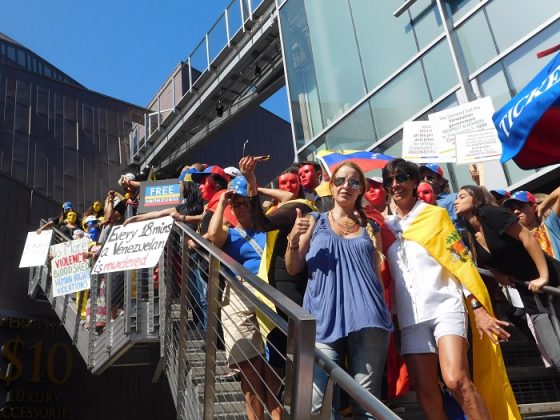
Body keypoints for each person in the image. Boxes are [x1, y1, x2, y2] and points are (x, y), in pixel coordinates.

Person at [383, 160, 519, 420]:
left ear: (414, 182)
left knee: (456, 380)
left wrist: (477, 307)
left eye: (401, 178)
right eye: (389, 180)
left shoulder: (434, 215)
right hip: (410, 318)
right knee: (426, 393)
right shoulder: (384, 226)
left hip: (446, 307)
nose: (395, 184)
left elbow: (460, 261)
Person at [286, 162, 393, 419]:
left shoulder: (371, 227)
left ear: (361, 190)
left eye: (354, 182)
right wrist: (292, 240)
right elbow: (293, 267)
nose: (347, 186)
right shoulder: (314, 220)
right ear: (331, 186)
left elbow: (377, 276)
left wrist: (385, 312)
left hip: (369, 319)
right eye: (341, 180)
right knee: (315, 406)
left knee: (366, 406)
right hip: (323, 318)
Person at [456, 185, 560, 371]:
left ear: (476, 198)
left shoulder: (490, 213)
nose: (456, 201)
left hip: (552, 282)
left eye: (462, 196)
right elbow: (486, 260)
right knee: (556, 355)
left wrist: (543, 276)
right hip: (529, 295)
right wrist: (499, 274)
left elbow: (527, 238)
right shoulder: (469, 232)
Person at [207, 175, 279, 420]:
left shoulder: (269, 224)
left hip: (270, 298)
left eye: (243, 202)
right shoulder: (231, 234)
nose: (238, 207)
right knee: (250, 372)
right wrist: (221, 203)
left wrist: (256, 188)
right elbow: (212, 233)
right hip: (239, 296)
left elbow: (291, 199)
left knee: (272, 373)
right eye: (234, 203)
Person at [503, 189, 560, 260]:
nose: (516, 211)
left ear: (534, 208)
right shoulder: (518, 243)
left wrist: (542, 206)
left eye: (520, 206)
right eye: (512, 209)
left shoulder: (550, 225)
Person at [419, 163, 464, 232]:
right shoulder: (419, 203)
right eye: (422, 178)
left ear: (441, 181)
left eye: (430, 178)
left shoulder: (454, 198)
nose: (425, 180)